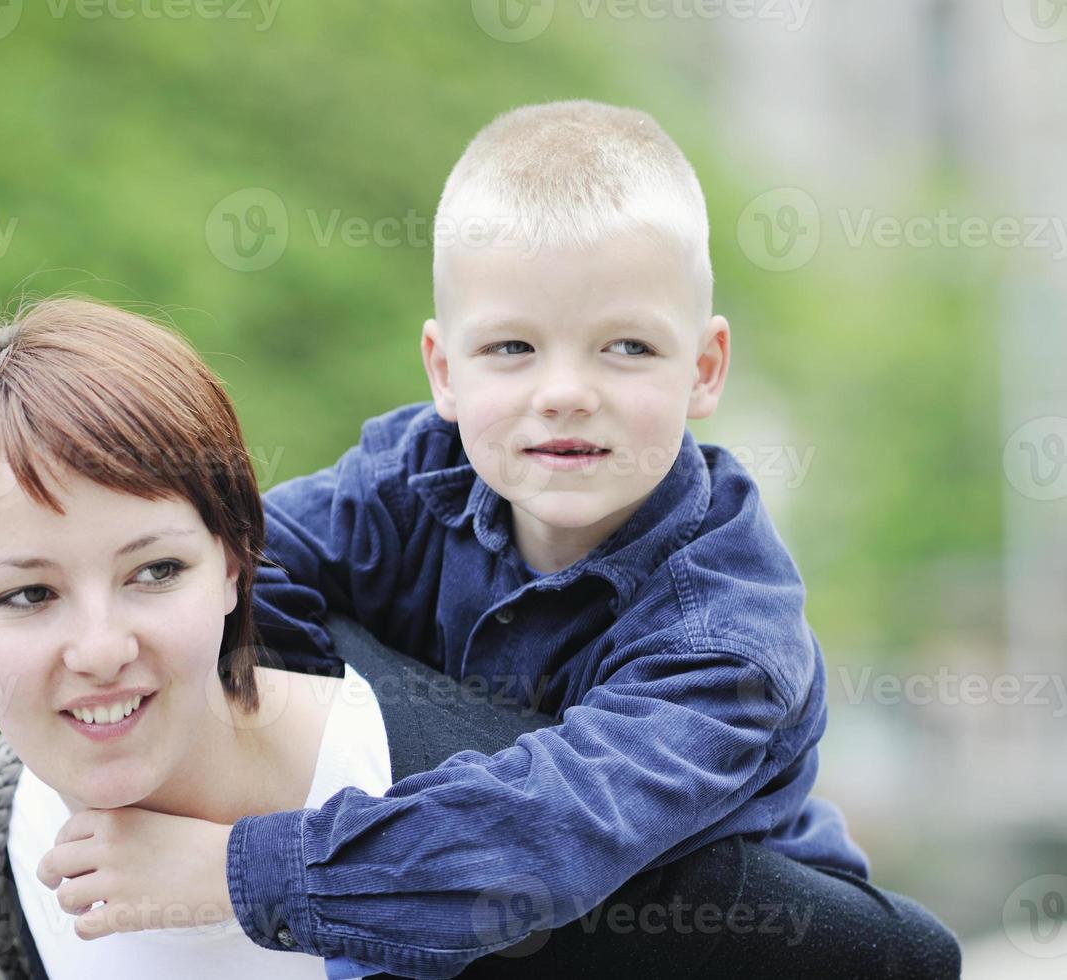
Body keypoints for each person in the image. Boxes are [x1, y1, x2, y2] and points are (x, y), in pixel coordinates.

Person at [201, 100, 961, 977]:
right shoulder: (414, 476)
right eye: (514, 347)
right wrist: (309, 727)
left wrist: (242, 872)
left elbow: (544, 834)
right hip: (476, 927)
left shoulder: (729, 627)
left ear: (705, 369)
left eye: (628, 347)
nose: (564, 391)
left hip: (717, 943)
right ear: (444, 370)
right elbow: (239, 568)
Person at [0, 298, 558, 979]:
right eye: (28, 595)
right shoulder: (8, 827)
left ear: (234, 565)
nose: (103, 649)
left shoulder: (492, 827)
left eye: (155, 571)